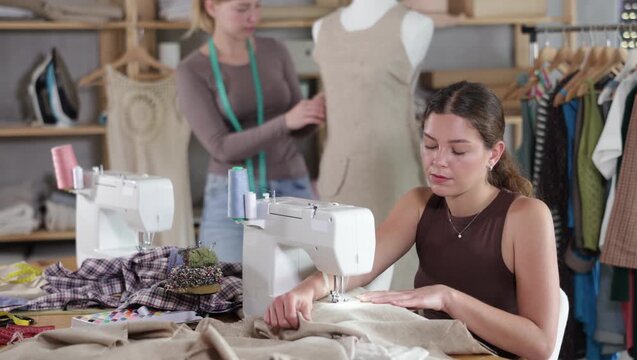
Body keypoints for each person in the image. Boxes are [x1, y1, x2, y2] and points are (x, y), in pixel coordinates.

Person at [265, 81, 560, 359]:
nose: (439, 161)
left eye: (458, 150)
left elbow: (540, 344)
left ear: (493, 154)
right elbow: (359, 267)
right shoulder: (419, 204)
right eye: (430, 145)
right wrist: (306, 290)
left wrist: (448, 299)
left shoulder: (526, 217)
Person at [177, 0, 326, 263]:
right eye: (242, 8)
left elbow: (295, 130)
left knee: (304, 282)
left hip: (292, 186)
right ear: (212, 7)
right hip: (231, 195)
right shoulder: (192, 70)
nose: (253, 16)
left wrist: (314, 114)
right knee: (228, 287)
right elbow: (220, 147)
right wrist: (286, 122)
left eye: (257, 6)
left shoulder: (275, 51)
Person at [312, 0, 434, 291]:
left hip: (393, 179)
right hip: (338, 182)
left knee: (397, 287)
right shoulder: (322, 28)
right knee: (336, 288)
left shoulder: (413, 25)